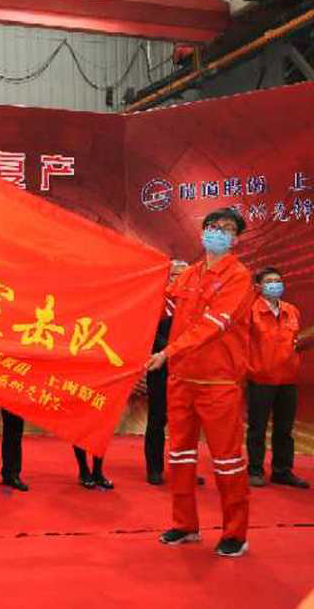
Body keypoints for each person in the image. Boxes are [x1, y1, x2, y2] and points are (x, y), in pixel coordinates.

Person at [145, 207, 254, 558]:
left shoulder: (239, 277)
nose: (217, 232)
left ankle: (235, 532)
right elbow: (157, 301)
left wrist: (168, 351)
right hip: (181, 380)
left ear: (235, 238)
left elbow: (212, 325)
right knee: (180, 456)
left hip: (218, 383)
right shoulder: (190, 274)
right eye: (212, 226)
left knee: (227, 460)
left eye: (226, 229)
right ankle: (185, 524)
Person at [246, 266, 309, 489]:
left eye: (278, 281)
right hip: (260, 379)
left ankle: (282, 470)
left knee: (285, 429)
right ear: (258, 286)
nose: (275, 285)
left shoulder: (292, 310)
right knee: (257, 428)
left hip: (288, 379)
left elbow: (296, 341)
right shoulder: (250, 311)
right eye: (269, 281)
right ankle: (255, 470)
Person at [139, 259, 188, 485]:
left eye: (184, 276)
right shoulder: (157, 301)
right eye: (175, 275)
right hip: (161, 366)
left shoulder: (194, 303)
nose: (180, 280)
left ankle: (185, 467)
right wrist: (171, 351)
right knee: (158, 418)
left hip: (188, 368)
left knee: (186, 422)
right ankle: (155, 468)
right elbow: (149, 334)